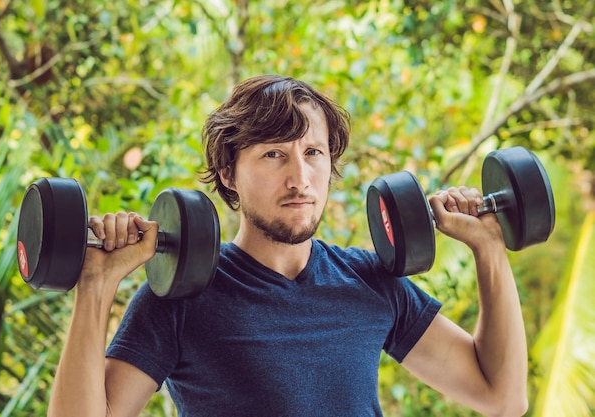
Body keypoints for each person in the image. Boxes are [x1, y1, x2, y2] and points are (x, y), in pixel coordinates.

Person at [47, 75, 528, 417]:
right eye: (274, 154)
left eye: (312, 153)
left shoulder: (372, 283)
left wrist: (490, 251)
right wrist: (96, 282)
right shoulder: (180, 297)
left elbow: (501, 397)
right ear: (228, 175)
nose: (300, 178)